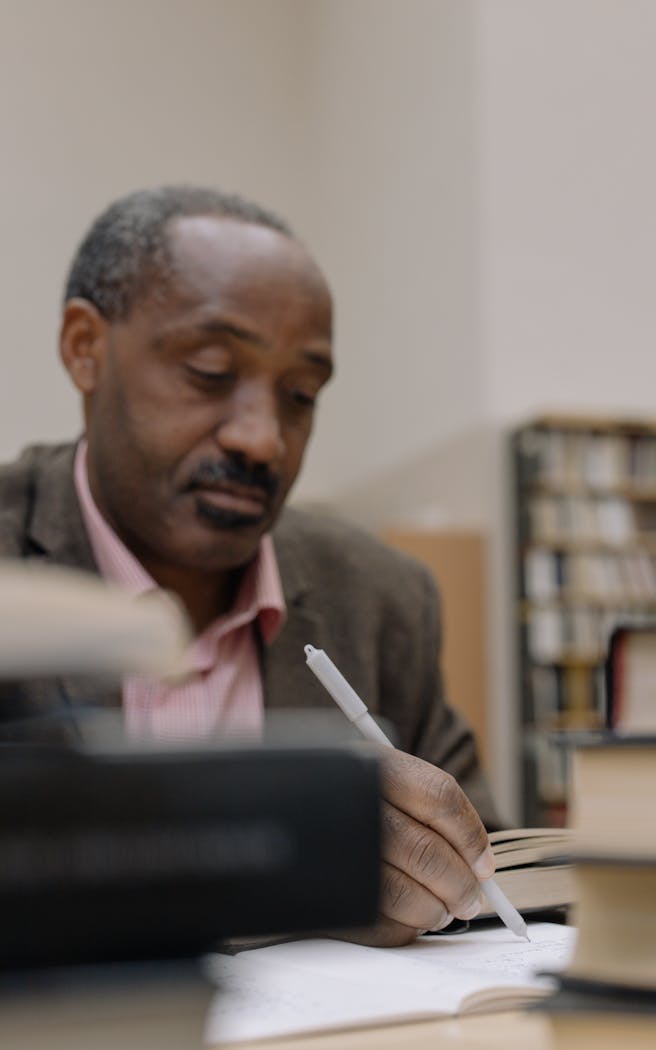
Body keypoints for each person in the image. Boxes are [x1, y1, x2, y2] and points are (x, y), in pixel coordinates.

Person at [0, 185, 498, 946]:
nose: (263, 439)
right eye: (208, 370)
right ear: (85, 347)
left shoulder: (383, 597)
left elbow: (494, 876)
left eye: (300, 395)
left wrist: (432, 885)